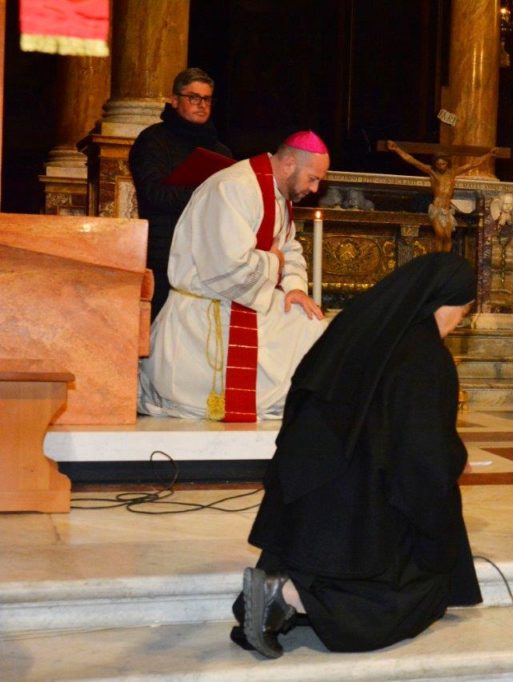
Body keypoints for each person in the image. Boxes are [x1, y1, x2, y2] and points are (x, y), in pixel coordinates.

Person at [233, 252, 480, 658]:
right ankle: (288, 596)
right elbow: (420, 460)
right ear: (446, 301)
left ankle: (272, 596)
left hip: (304, 499)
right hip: (356, 516)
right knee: (422, 591)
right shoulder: (425, 355)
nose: (459, 322)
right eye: (464, 311)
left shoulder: (363, 327)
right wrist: (452, 464)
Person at [138, 131, 330, 422]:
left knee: (310, 324)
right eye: (313, 178)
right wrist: (274, 262)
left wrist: (295, 287)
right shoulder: (232, 188)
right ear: (290, 164)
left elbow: (288, 247)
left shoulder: (277, 192)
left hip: (243, 298)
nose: (315, 189)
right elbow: (227, 269)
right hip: (207, 311)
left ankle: (291, 405)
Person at [129, 68, 233, 320]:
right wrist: (204, 193)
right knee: (160, 328)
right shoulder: (153, 140)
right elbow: (154, 193)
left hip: (206, 258)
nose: (202, 105)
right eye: (193, 97)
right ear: (175, 100)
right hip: (164, 254)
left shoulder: (221, 151)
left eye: (207, 99)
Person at [385, 140, 496, 252]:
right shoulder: (432, 172)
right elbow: (412, 160)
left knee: (447, 237)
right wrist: (397, 149)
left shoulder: (452, 173)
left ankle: (445, 259)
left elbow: (472, 164)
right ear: (435, 164)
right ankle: (438, 258)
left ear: (447, 163)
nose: (441, 166)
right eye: (438, 164)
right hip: (436, 209)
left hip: (447, 210)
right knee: (440, 235)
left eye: (443, 164)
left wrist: (489, 155)